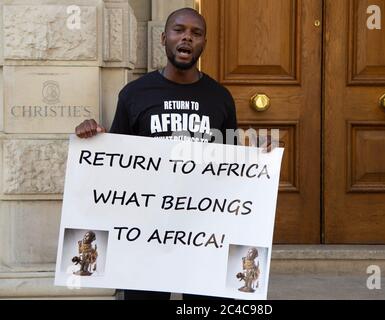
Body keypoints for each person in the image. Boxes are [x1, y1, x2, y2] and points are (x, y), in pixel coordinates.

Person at [75, 7, 274, 300]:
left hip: (204, 232)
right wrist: (91, 136)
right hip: (146, 231)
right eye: (179, 30)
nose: (187, 38)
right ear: (163, 38)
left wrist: (256, 154)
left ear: (204, 43)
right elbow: (115, 164)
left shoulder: (220, 97)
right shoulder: (134, 94)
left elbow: (230, 168)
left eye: (196, 33)